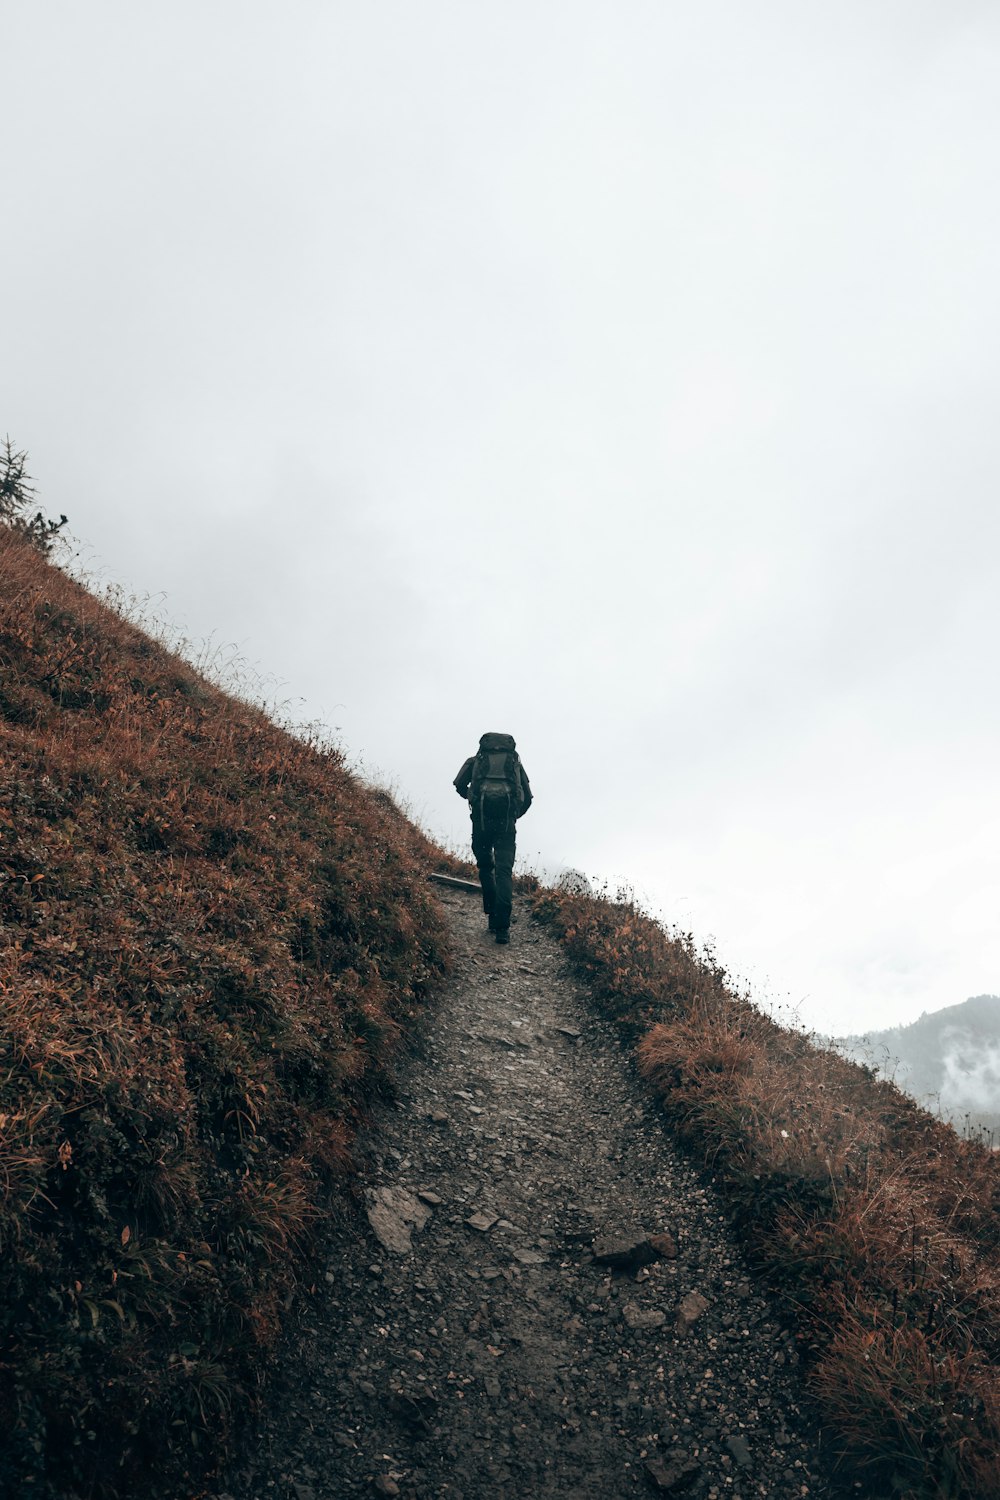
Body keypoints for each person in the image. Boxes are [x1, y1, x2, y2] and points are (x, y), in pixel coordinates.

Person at [453, 732, 532, 944]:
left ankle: (491, 914)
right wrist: (513, 816)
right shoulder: (515, 764)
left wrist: (472, 799)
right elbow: (528, 797)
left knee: (486, 867)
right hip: (506, 826)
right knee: (504, 873)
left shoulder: (475, 761)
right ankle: (503, 930)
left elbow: (459, 784)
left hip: (481, 823)